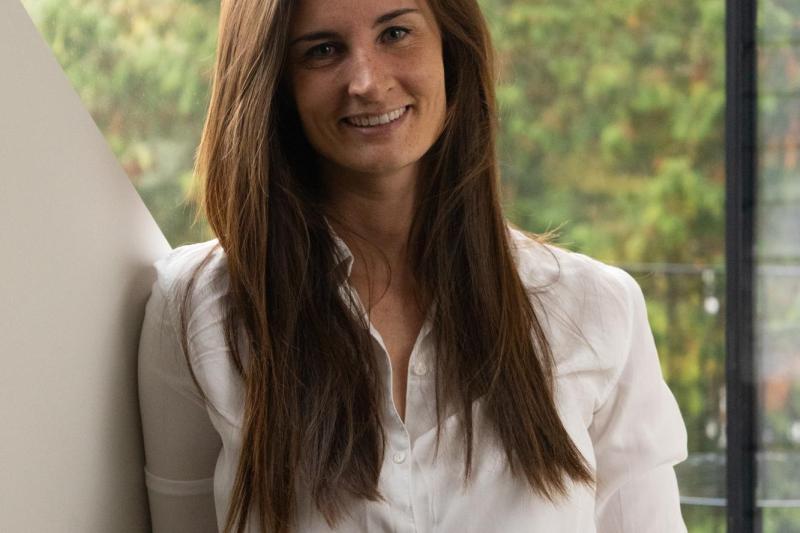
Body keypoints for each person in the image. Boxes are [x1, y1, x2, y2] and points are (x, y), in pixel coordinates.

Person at [137, 0, 689, 531]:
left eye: (395, 33)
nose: (367, 81)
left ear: (451, 48)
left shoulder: (596, 309)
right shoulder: (197, 311)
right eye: (322, 50)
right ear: (275, 84)